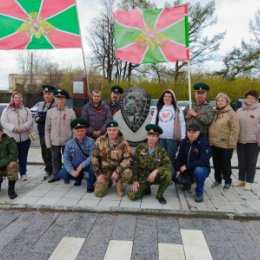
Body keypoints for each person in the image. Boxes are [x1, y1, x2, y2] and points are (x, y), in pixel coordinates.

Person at [128, 124, 172, 205]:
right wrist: (135, 180)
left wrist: (156, 171)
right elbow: (134, 165)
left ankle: (159, 195)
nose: (151, 138)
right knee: (132, 196)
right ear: (147, 136)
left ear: (158, 138)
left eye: (154, 136)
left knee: (168, 174)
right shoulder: (140, 148)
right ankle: (146, 188)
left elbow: (168, 165)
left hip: (156, 177)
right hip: (143, 178)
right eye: (150, 135)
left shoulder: (161, 151)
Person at [91, 119, 132, 197]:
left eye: (114, 130)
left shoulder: (123, 142)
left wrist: (117, 171)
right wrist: (98, 174)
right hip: (105, 170)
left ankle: (119, 183)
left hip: (118, 169)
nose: (112, 132)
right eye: (110, 130)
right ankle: (108, 181)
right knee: (99, 193)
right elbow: (94, 157)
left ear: (118, 130)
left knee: (128, 173)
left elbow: (128, 158)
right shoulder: (100, 140)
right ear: (107, 130)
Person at [172, 124, 212, 203]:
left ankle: (199, 193)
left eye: (193, 132)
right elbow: (176, 157)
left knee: (199, 171)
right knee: (171, 171)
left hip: (198, 168)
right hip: (185, 169)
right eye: (189, 132)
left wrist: (187, 166)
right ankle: (187, 183)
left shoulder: (204, 143)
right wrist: (178, 169)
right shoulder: (183, 142)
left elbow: (203, 160)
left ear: (198, 133)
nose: (191, 134)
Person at [209, 93, 239, 190]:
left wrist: (232, 143)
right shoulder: (215, 113)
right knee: (216, 163)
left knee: (225, 164)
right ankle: (218, 180)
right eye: (218, 100)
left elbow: (235, 130)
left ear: (226, 101)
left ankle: (227, 181)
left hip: (226, 144)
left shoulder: (231, 114)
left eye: (222, 100)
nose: (220, 102)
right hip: (214, 143)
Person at [0, 91, 33, 181]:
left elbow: (30, 121)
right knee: (12, 158)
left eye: (19, 97)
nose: (17, 99)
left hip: (24, 138)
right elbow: (3, 122)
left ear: (21, 99)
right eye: (16, 97)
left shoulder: (26, 110)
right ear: (12, 98)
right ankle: (13, 174)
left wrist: (23, 127)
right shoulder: (7, 110)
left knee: (23, 157)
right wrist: (14, 128)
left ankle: (23, 173)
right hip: (11, 140)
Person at [45, 88, 76, 183]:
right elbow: (47, 129)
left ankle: (66, 176)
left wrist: (74, 141)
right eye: (58, 98)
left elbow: (74, 129)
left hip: (67, 141)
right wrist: (48, 143)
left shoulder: (71, 112)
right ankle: (56, 175)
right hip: (54, 141)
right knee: (55, 159)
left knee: (67, 159)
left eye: (62, 98)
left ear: (65, 100)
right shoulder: (50, 112)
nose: (60, 100)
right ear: (55, 99)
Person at [59, 118, 96, 192]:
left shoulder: (91, 142)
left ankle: (90, 184)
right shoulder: (69, 143)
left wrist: (81, 166)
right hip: (75, 165)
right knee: (62, 173)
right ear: (74, 132)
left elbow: (92, 156)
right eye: (77, 131)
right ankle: (78, 177)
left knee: (94, 165)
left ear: (85, 131)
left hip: (87, 165)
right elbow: (66, 158)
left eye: (82, 131)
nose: (79, 133)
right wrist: (71, 171)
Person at [234, 89, 260, 191]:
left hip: (254, 141)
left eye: (252, 98)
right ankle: (241, 179)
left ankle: (249, 181)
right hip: (240, 140)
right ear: (245, 98)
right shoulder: (240, 110)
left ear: (256, 99)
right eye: (248, 97)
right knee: (241, 161)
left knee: (251, 162)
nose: (250, 99)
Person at [151, 89, 186, 164]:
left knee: (171, 158)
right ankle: (161, 173)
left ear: (173, 98)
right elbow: (153, 121)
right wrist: (152, 132)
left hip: (172, 138)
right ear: (162, 98)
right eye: (165, 96)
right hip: (160, 138)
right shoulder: (159, 108)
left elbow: (182, 123)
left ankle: (171, 174)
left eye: (169, 96)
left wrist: (183, 136)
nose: (167, 98)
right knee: (161, 158)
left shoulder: (177, 108)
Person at [35, 84, 56, 180]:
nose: (47, 96)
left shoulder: (56, 104)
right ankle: (48, 170)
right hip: (42, 133)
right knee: (44, 152)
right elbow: (35, 116)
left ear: (53, 94)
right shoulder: (40, 104)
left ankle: (56, 171)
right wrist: (37, 118)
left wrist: (45, 119)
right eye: (45, 94)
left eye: (49, 94)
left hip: (53, 133)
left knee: (53, 153)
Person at [0, 124, 19, 199]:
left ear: (1, 132)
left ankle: (11, 190)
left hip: (7, 167)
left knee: (13, 164)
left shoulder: (10, 141)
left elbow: (13, 156)